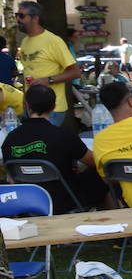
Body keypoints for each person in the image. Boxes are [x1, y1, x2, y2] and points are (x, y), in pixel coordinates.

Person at [1, 84, 112, 212]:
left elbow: (11, 178)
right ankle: (110, 222)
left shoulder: (10, 139)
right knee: (99, 173)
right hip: (66, 200)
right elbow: (94, 161)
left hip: (28, 201)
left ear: (27, 106)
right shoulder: (64, 135)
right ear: (54, 106)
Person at [15, 1, 80, 128]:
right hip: (32, 107)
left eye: (22, 16)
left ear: (35, 18)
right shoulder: (25, 42)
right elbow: (28, 72)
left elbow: (75, 72)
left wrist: (48, 80)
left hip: (52, 108)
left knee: (44, 145)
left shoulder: (53, 41)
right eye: (16, 15)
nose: (18, 19)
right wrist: (25, 99)